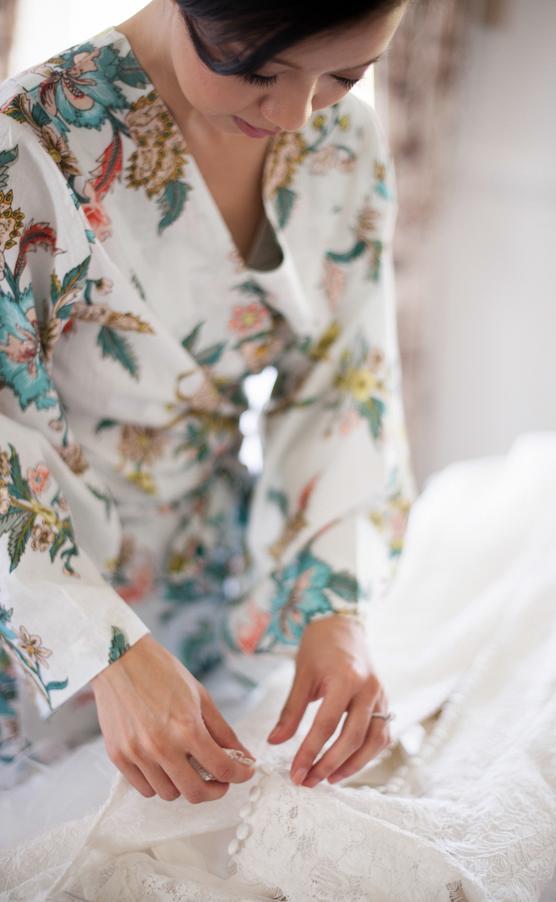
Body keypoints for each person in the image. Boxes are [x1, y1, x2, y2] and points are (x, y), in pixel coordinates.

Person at [0, 0, 415, 804]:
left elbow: (344, 384)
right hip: (40, 599)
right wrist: (101, 648)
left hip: (213, 578)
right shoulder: (30, 143)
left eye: (345, 73)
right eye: (257, 69)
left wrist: (331, 607)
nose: (295, 114)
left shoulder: (342, 144)